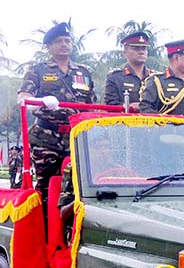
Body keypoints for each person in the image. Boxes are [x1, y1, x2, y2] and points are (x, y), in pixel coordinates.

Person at [17, 22, 96, 200]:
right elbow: (23, 98)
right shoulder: (38, 70)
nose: (64, 44)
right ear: (49, 46)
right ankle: (45, 226)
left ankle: (70, 227)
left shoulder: (84, 72)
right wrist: (40, 102)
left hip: (76, 138)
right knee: (46, 187)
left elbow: (92, 106)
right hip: (47, 137)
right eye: (59, 41)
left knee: (77, 186)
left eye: (67, 40)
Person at [104, 31, 152, 109]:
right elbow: (111, 106)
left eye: (144, 48)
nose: (141, 52)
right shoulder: (115, 78)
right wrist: (128, 107)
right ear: (125, 53)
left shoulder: (154, 78)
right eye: (136, 48)